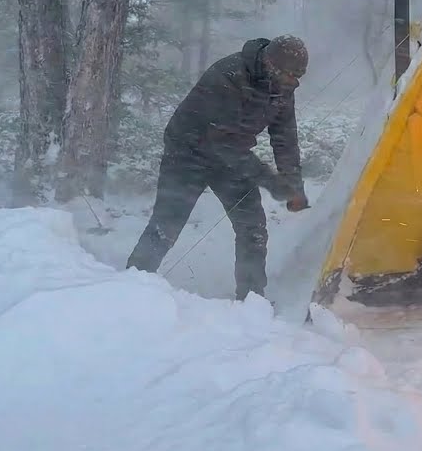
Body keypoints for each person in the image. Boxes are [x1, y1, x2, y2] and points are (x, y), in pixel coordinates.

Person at [127, 35, 310, 300]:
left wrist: (294, 185)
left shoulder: (283, 88)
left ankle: (252, 300)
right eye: (289, 75)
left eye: (298, 76)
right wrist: (272, 182)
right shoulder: (229, 75)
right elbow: (223, 143)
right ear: (270, 64)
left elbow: (285, 139)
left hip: (232, 158)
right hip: (187, 153)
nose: (294, 82)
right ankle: (130, 285)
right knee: (167, 223)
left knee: (253, 228)